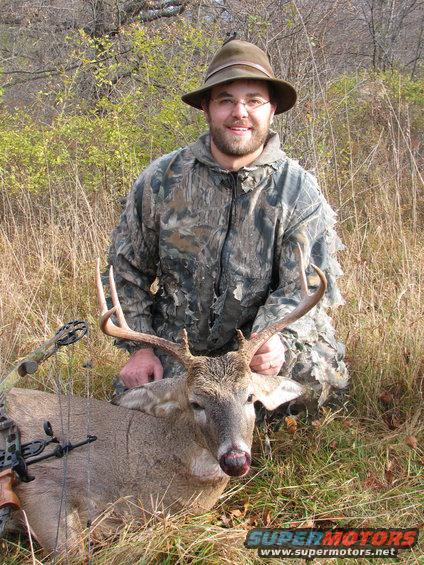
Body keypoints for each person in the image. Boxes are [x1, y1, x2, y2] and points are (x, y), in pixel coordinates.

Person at [108, 38, 348, 407]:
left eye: (254, 100)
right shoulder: (161, 180)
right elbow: (126, 272)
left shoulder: (297, 190)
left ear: (272, 110)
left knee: (320, 375)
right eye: (226, 100)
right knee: (139, 407)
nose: (240, 112)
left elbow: (305, 285)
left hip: (256, 350)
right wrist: (141, 347)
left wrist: (276, 338)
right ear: (206, 108)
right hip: (183, 353)